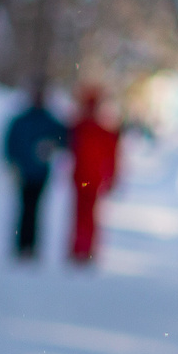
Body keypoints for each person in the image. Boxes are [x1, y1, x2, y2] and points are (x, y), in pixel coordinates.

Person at [0, 81, 68, 261]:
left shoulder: (49, 121)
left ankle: (32, 247)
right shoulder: (21, 120)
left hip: (40, 173)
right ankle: (21, 245)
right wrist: (12, 164)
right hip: (23, 173)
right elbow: (10, 144)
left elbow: (65, 138)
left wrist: (52, 145)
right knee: (24, 209)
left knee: (35, 210)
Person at [67, 85, 121, 267]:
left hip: (88, 178)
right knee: (84, 214)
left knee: (84, 214)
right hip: (85, 178)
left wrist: (112, 176)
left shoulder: (86, 128)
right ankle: (81, 249)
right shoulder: (82, 127)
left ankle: (83, 250)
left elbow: (112, 154)